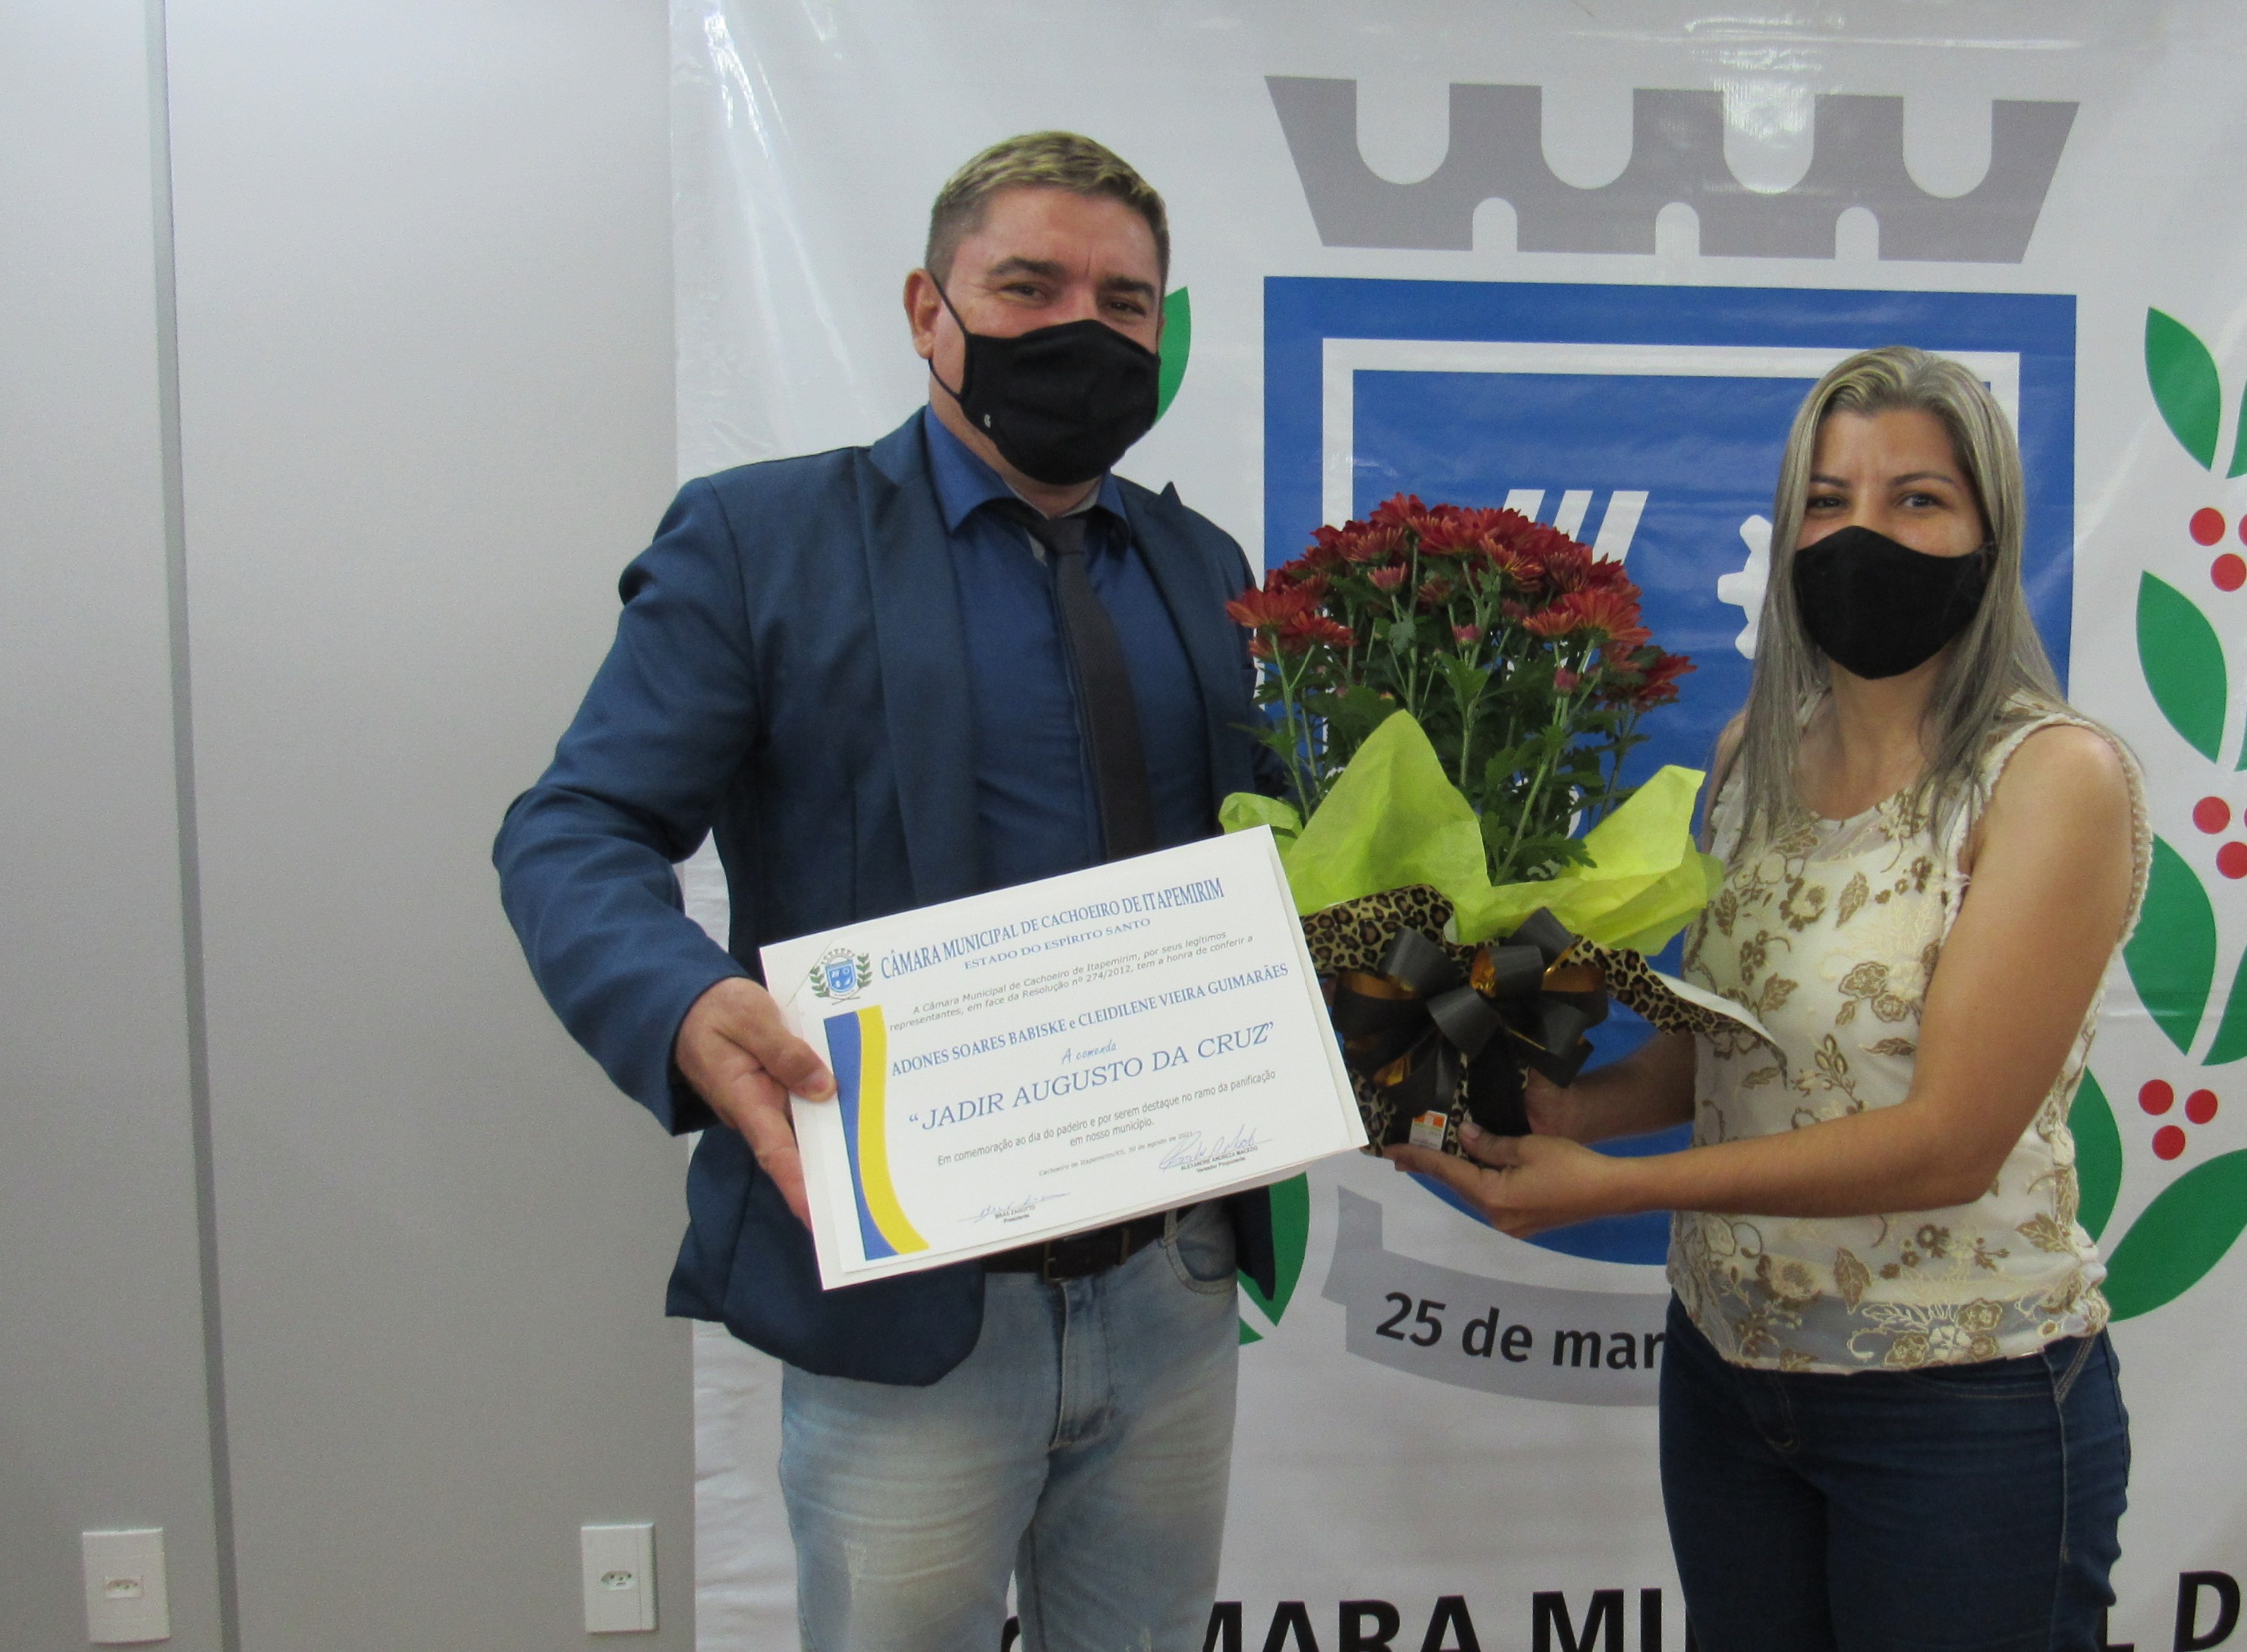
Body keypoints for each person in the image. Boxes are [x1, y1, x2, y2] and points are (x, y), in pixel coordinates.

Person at [494, 132, 1281, 1652]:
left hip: (1173, 1276)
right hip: (913, 1297)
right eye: (1028, 286)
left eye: (1123, 303)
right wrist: (683, 1000)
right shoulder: (760, 541)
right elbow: (572, 827)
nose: (1080, 329)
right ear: (930, 309)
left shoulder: (1203, 565)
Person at [1394, 345, 2148, 1650]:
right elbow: (1733, 1050)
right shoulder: (1754, 756)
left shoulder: (2050, 778)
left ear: (1989, 536)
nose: (1864, 535)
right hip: (1730, 1377)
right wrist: (1568, 1111)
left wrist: (1612, 1188)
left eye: (1918, 499)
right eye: (1828, 501)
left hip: (1959, 1397)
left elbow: (1950, 1142)